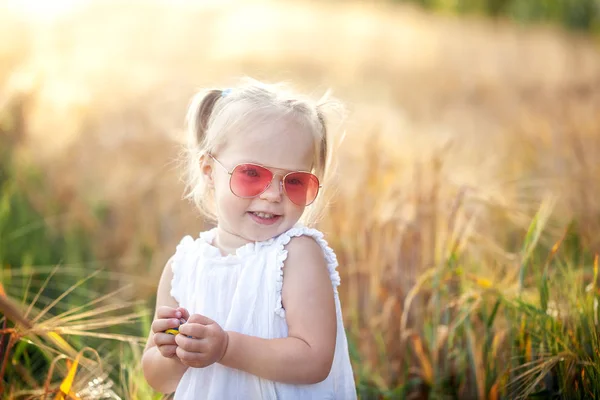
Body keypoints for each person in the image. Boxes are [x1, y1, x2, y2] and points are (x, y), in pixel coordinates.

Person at [142, 78, 357, 399]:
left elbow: (314, 360)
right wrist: (172, 352)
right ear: (208, 170)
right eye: (252, 174)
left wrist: (226, 347)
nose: (273, 195)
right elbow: (158, 379)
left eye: (295, 181)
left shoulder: (296, 255)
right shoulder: (182, 266)